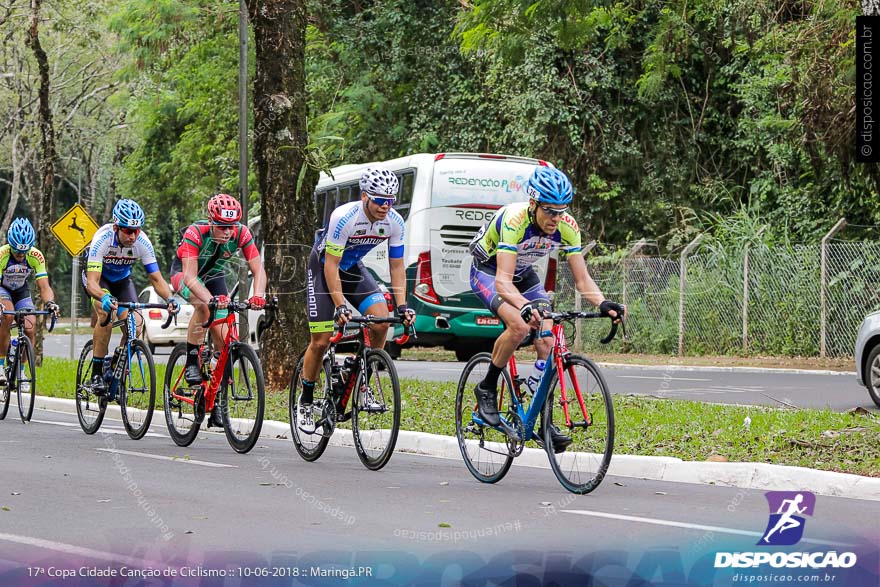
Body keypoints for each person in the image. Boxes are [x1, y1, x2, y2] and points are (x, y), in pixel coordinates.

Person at [468, 166, 624, 452]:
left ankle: (543, 420)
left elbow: (582, 279)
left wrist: (603, 303)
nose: (556, 218)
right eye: (550, 211)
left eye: (562, 211)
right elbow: (502, 281)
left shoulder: (567, 226)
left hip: (524, 273)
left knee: (548, 340)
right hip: (489, 272)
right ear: (533, 204)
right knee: (518, 325)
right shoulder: (514, 221)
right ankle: (487, 387)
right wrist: (524, 307)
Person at [296, 166, 415, 434]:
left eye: (390, 201)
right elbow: (331, 265)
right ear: (365, 197)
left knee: (381, 322)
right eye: (380, 200)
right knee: (321, 340)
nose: (386, 206)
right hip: (324, 268)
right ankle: (305, 401)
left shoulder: (394, 222)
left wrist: (403, 307)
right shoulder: (344, 217)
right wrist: (339, 305)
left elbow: (397, 267)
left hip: (352, 270)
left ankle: (363, 382)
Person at [169, 193, 266, 428]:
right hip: (185, 275)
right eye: (222, 226)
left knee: (225, 344)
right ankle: (192, 361)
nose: (227, 232)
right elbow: (191, 277)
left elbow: (259, 269)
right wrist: (212, 300)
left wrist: (258, 296)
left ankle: (218, 404)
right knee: (203, 308)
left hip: (214, 277)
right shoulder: (195, 232)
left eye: (231, 226)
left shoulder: (242, 233)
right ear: (211, 222)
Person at [83, 199, 179, 396]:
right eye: (128, 230)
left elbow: (156, 278)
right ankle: (97, 373)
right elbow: (93, 282)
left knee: (136, 323)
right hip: (99, 281)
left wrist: (169, 298)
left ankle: (117, 366)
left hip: (122, 280)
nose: (133, 235)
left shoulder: (142, 242)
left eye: (137, 230)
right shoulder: (102, 239)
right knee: (105, 315)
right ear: (117, 227)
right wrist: (104, 297)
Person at [0, 218, 59, 385]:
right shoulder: (2, 254)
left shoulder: (36, 255)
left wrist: (50, 303)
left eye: (23, 252)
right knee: (7, 316)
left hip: (20, 291)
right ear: (10, 244)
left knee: (30, 327)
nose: (20, 255)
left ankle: (22, 369)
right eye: (17, 251)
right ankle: (0, 364)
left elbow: (44, 286)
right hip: (2, 289)